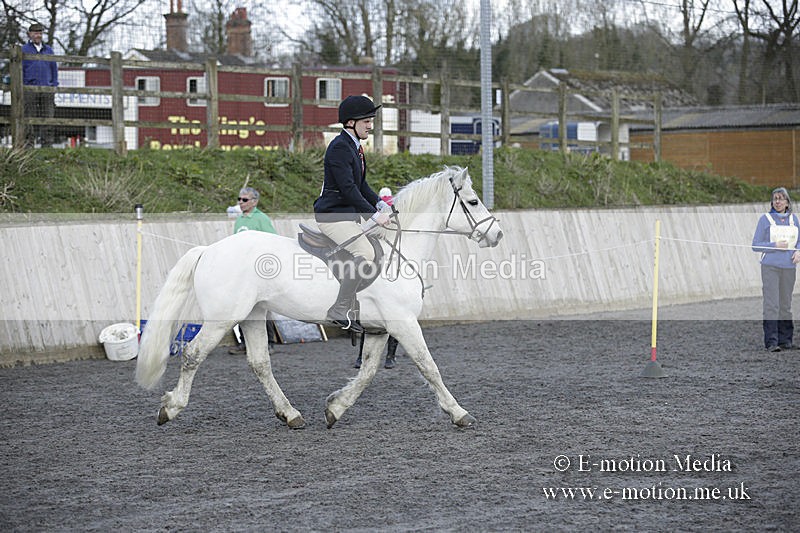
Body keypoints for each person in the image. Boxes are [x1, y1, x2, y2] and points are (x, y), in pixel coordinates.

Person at [313, 95, 392, 333]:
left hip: (345, 215)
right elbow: (348, 190)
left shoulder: (355, 147)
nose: (370, 125)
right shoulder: (339, 147)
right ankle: (340, 308)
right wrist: (372, 216)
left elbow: (361, 186)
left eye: (370, 120)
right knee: (365, 251)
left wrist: (380, 204)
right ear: (350, 122)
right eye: (366, 121)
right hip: (332, 216)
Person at [229, 187, 278, 354]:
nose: (240, 203)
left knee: (263, 306)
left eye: (244, 200)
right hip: (243, 270)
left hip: (258, 269)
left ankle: (269, 343)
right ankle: (244, 343)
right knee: (243, 307)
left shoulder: (261, 219)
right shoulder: (239, 220)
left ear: (254, 202)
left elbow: (273, 241)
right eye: (239, 199)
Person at [751, 187, 800, 352]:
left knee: (785, 304)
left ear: (787, 202)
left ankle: (786, 340)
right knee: (772, 304)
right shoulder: (765, 220)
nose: (777, 201)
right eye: (775, 198)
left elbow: (799, 242)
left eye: (781, 198)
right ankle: (772, 342)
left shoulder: (794, 220)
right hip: (770, 267)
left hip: (789, 268)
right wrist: (774, 246)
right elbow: (755, 245)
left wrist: (798, 252)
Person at [22, 23, 58, 147]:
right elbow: (19, 69)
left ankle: (47, 145)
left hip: (47, 88)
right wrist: (23, 85)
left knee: (48, 117)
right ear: (30, 34)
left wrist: (54, 85)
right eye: (36, 33)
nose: (38, 35)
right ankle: (28, 144)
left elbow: (54, 69)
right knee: (28, 117)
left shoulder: (49, 50)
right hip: (29, 89)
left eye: (40, 33)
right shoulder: (24, 50)